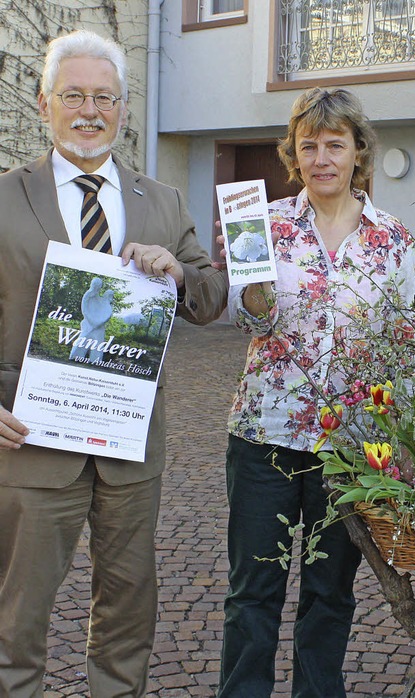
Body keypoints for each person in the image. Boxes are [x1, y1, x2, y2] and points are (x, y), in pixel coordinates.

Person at [0, 30, 228, 697]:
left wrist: (179, 275)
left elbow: (212, 295)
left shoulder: (161, 200)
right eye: (73, 95)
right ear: (45, 104)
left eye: (104, 97)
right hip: (32, 440)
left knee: (128, 609)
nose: (90, 111)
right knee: (17, 616)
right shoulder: (6, 197)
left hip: (130, 443)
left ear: (123, 109)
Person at [218, 87, 415, 697]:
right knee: (253, 591)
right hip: (266, 436)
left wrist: (406, 439)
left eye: (336, 144)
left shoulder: (395, 241)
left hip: (354, 449)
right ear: (294, 154)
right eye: (309, 145)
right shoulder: (266, 226)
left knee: (330, 594)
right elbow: (249, 323)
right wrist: (252, 292)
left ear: (359, 151)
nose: (322, 157)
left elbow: (407, 349)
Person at [69, 277, 114, 361]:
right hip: (88, 325)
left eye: (98, 285)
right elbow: (85, 309)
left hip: (98, 328)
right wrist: (91, 321)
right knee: (83, 340)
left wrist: (96, 323)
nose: (96, 287)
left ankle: (95, 360)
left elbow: (105, 316)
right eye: (95, 285)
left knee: (97, 345)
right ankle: (76, 356)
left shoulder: (105, 304)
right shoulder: (89, 295)